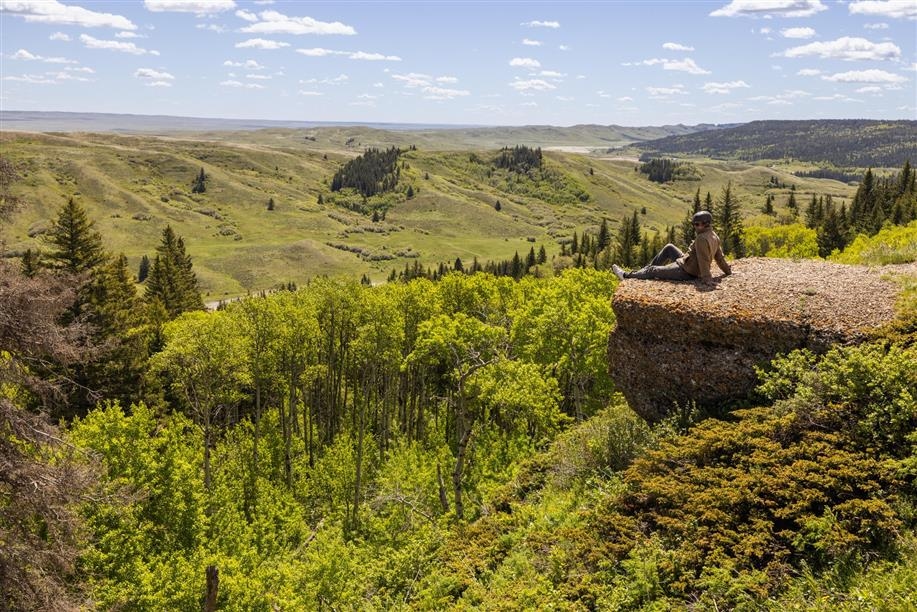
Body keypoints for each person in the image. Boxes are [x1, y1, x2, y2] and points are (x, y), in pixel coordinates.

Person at [612, 210, 731, 287]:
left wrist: (707, 279)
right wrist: (728, 272)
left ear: (705, 223)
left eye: (696, 224)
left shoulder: (701, 239)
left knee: (652, 270)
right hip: (687, 262)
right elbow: (719, 258)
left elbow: (703, 259)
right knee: (669, 247)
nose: (694, 227)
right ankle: (643, 272)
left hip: (687, 271)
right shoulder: (714, 236)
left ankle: (626, 276)